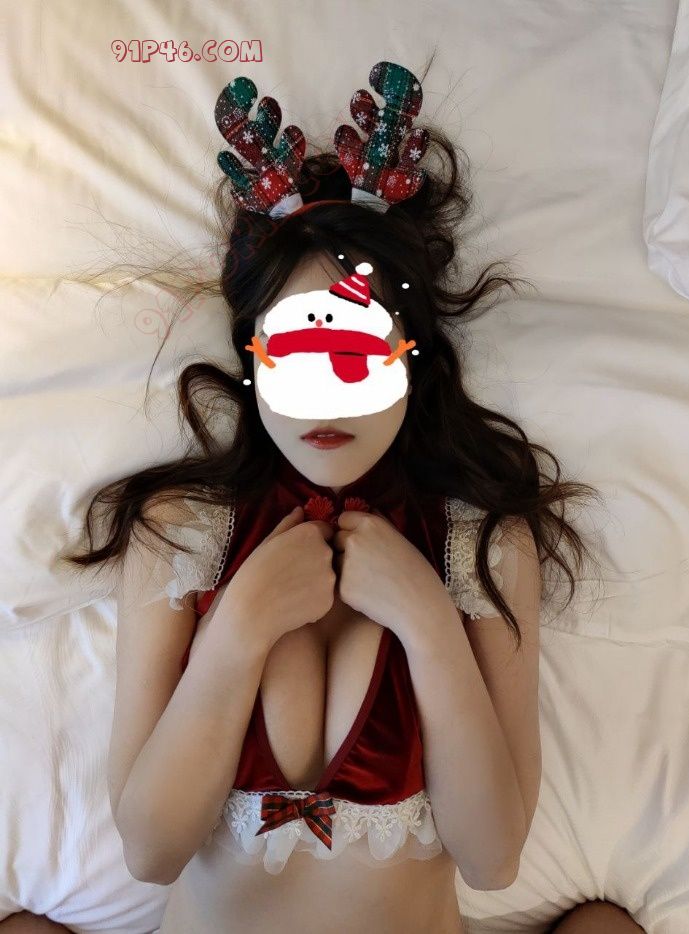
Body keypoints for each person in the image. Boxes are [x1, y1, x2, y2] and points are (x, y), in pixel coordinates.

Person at [58, 60, 643, 934]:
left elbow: (492, 860)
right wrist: (238, 629)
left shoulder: (479, 544)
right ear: (253, 360)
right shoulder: (182, 534)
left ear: (409, 356)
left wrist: (429, 622)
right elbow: (151, 851)